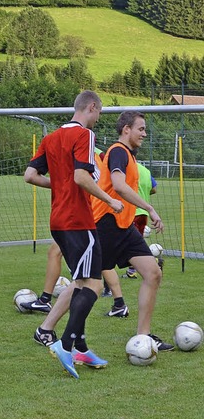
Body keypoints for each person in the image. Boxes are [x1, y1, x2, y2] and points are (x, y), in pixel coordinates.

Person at [32, 110, 174, 356]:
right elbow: (118, 186)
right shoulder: (118, 151)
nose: (144, 133)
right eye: (141, 128)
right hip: (106, 225)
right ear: (126, 129)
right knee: (85, 283)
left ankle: (143, 336)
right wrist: (149, 208)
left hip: (124, 228)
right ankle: (47, 329)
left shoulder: (127, 154)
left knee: (153, 273)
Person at [24, 90, 124, 378]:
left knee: (81, 282)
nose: (98, 120)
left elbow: (30, 175)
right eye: (99, 114)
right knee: (92, 285)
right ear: (91, 108)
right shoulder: (84, 135)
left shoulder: (51, 137)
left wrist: (59, 186)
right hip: (79, 220)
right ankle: (65, 345)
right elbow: (81, 177)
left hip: (58, 219)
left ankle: (80, 346)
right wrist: (109, 200)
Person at [124, 162, 159, 278]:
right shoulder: (145, 170)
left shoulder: (126, 168)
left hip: (131, 211)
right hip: (143, 213)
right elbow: (154, 189)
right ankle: (134, 269)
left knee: (130, 243)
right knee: (135, 241)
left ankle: (152, 263)